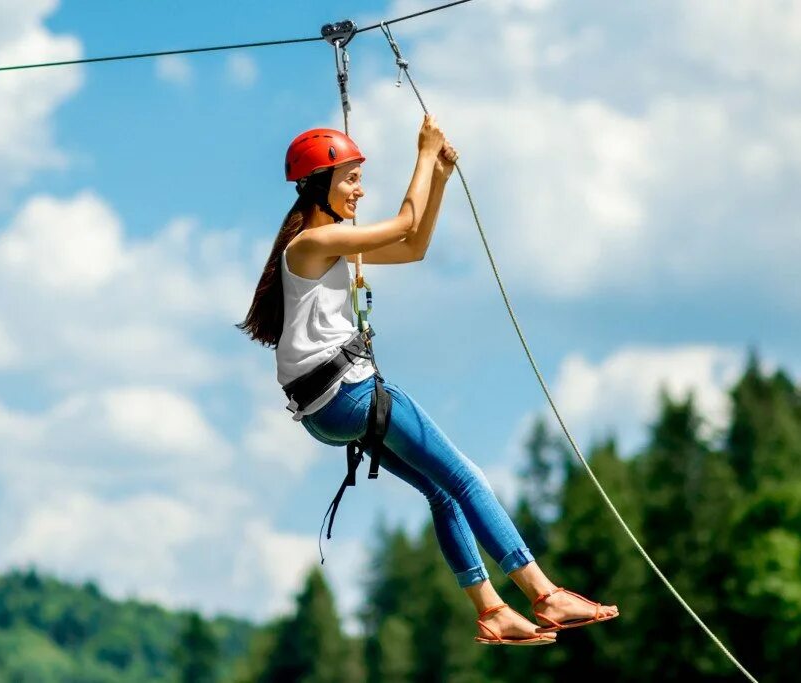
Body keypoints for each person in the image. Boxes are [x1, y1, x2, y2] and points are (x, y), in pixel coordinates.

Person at [237, 115, 618, 646]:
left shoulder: (328, 245)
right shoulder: (312, 242)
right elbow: (400, 223)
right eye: (349, 178)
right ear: (319, 185)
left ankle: (491, 610)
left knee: (441, 491)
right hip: (349, 396)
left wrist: (437, 177)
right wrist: (423, 151)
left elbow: (413, 246)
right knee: (466, 477)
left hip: (325, 411)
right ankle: (543, 592)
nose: (359, 188)